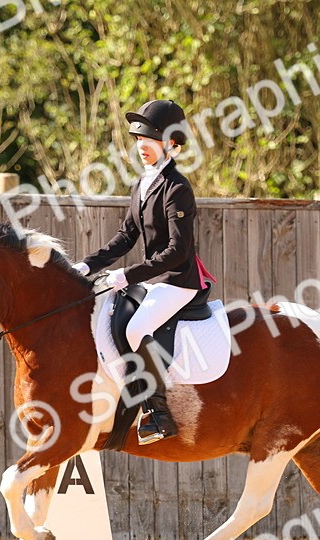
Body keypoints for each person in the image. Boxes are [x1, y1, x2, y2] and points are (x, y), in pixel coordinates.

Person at [72, 99, 215, 445]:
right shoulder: (143, 184)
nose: (141, 146)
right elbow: (126, 236)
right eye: (138, 140)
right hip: (155, 279)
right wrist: (88, 264)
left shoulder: (177, 189)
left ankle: (159, 414)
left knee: (136, 328)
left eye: (149, 139)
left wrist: (129, 275)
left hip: (179, 281)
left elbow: (178, 252)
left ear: (172, 144)